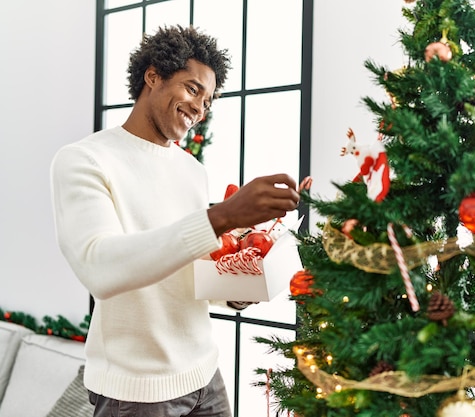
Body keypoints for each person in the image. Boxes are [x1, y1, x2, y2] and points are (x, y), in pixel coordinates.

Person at [50, 25, 300, 417]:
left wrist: (235, 290)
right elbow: (100, 266)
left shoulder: (191, 170)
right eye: (193, 89)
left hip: (205, 377)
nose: (200, 108)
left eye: (209, 100)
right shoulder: (84, 160)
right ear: (153, 76)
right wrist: (224, 215)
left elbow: (189, 268)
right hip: (134, 394)